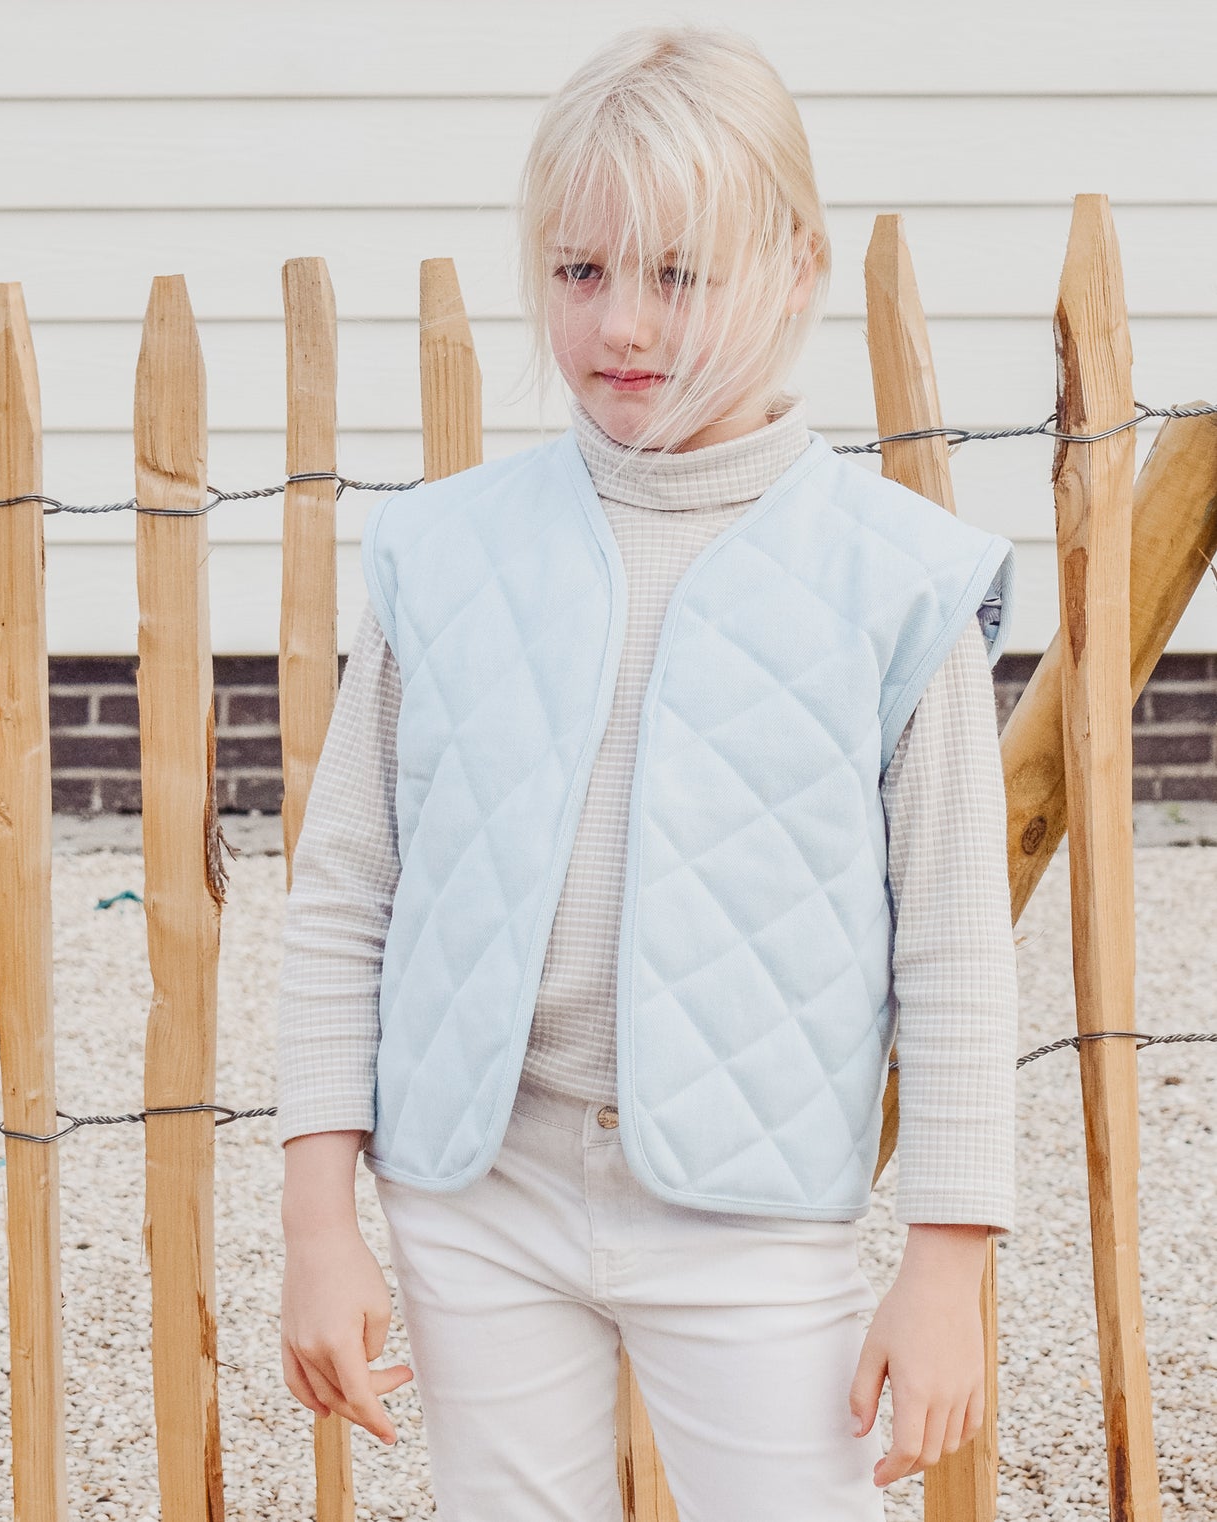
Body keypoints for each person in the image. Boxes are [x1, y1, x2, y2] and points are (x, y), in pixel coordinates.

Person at [276, 24, 1018, 1522]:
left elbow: (952, 942)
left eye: (678, 274)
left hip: (754, 1216)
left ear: (795, 269)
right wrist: (319, 1222)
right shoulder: (443, 554)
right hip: (474, 1200)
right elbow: (346, 889)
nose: (621, 322)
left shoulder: (897, 582)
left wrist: (945, 1265)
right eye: (579, 270)